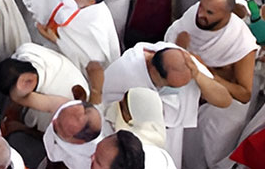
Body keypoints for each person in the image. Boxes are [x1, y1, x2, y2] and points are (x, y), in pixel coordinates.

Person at [165, 0, 259, 169]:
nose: (201, 14)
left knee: (205, 158)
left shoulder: (241, 41)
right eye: (201, 6)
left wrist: (205, 71)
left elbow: (244, 93)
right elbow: (174, 41)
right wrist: (179, 48)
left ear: (226, 15)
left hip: (219, 110)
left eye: (209, 12)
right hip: (186, 96)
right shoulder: (193, 15)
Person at [100, 44, 233, 165]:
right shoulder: (124, 71)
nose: (175, 90)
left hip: (171, 133)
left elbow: (225, 100)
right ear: (153, 70)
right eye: (171, 86)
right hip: (134, 138)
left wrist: (198, 76)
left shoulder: (183, 61)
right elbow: (104, 107)